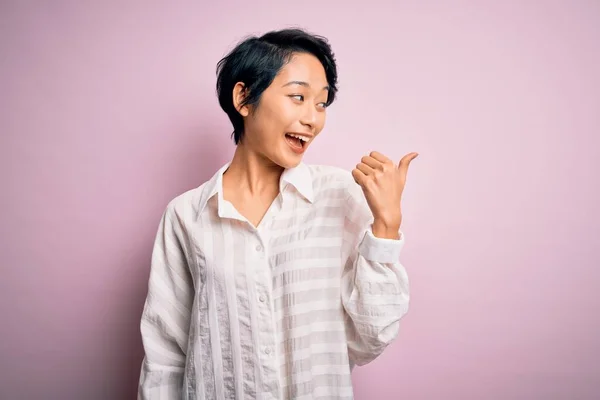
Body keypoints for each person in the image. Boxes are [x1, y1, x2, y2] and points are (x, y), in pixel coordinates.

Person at [138, 27, 418, 400]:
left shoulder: (341, 196)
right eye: (298, 97)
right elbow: (165, 356)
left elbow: (370, 339)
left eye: (320, 104)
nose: (313, 119)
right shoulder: (186, 215)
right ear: (243, 98)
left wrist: (386, 226)